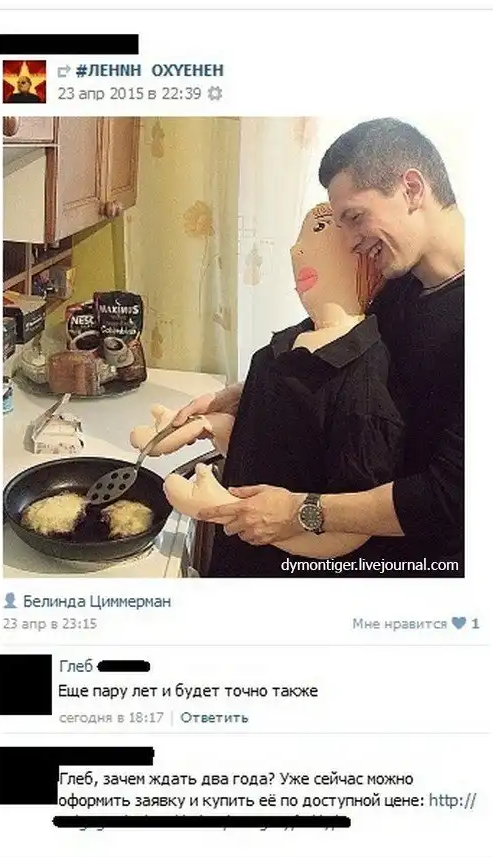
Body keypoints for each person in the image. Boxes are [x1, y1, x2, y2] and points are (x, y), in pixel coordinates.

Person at [176, 118, 464, 577]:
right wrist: (243, 394)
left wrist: (301, 511)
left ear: (412, 189)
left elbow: (449, 496)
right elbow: (341, 358)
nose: (350, 242)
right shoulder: (400, 283)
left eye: (355, 217)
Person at [172, 200, 405, 577]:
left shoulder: (363, 384)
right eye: (299, 238)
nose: (296, 250)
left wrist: (228, 512)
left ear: (366, 250)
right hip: (235, 563)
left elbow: (352, 527)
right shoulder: (284, 348)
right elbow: (276, 449)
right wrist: (210, 425)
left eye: (319, 230)